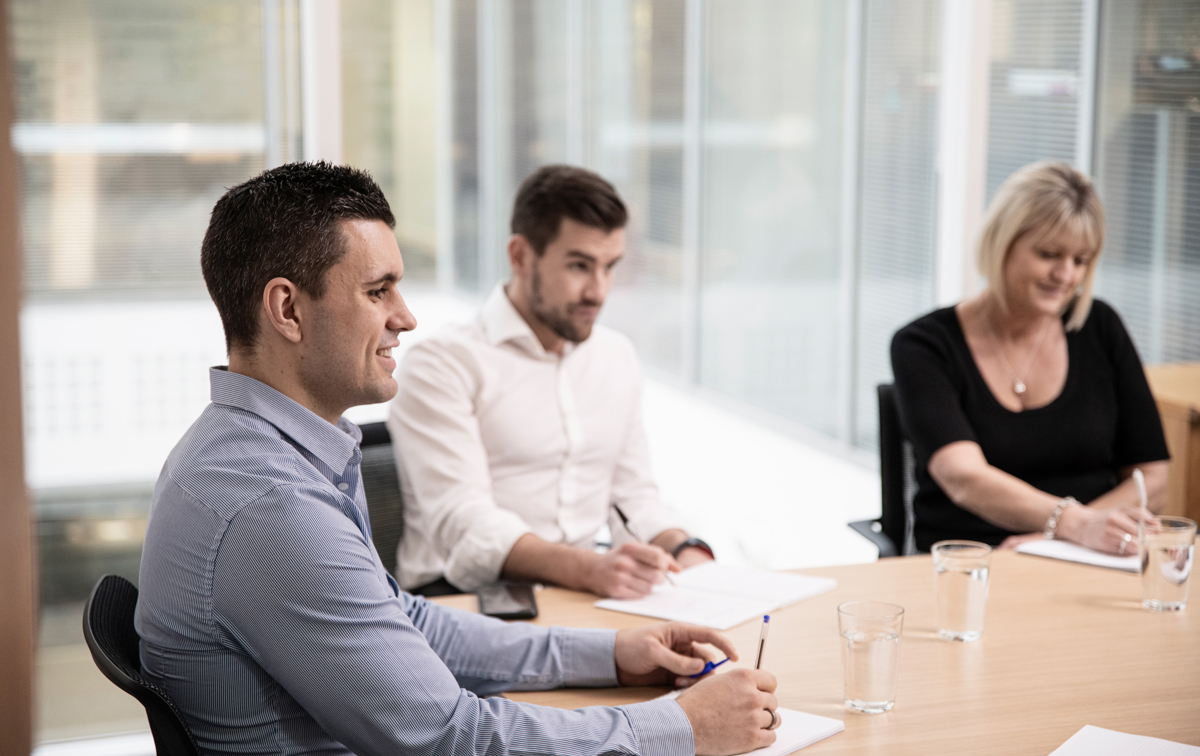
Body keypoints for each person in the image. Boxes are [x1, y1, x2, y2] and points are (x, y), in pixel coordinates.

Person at [134, 162, 778, 756]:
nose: (405, 317)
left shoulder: (257, 450)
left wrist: (608, 654)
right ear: (288, 310)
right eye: (378, 291)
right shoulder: (270, 506)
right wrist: (684, 728)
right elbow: (451, 739)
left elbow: (398, 618)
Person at [388, 165, 714, 598]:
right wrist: (590, 570)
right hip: (461, 597)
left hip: (578, 591)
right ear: (521, 256)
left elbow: (632, 498)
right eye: (580, 266)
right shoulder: (443, 363)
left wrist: (687, 551)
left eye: (610, 267)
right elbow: (463, 521)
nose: (598, 291)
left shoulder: (615, 356)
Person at [890, 161, 1170, 555]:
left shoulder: (1099, 327)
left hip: (1089, 556)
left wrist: (1069, 535)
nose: (1066, 275)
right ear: (1001, 242)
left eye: (1081, 260)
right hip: (974, 562)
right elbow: (963, 477)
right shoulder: (923, 345)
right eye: (1049, 254)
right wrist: (1076, 525)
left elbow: (1153, 476)